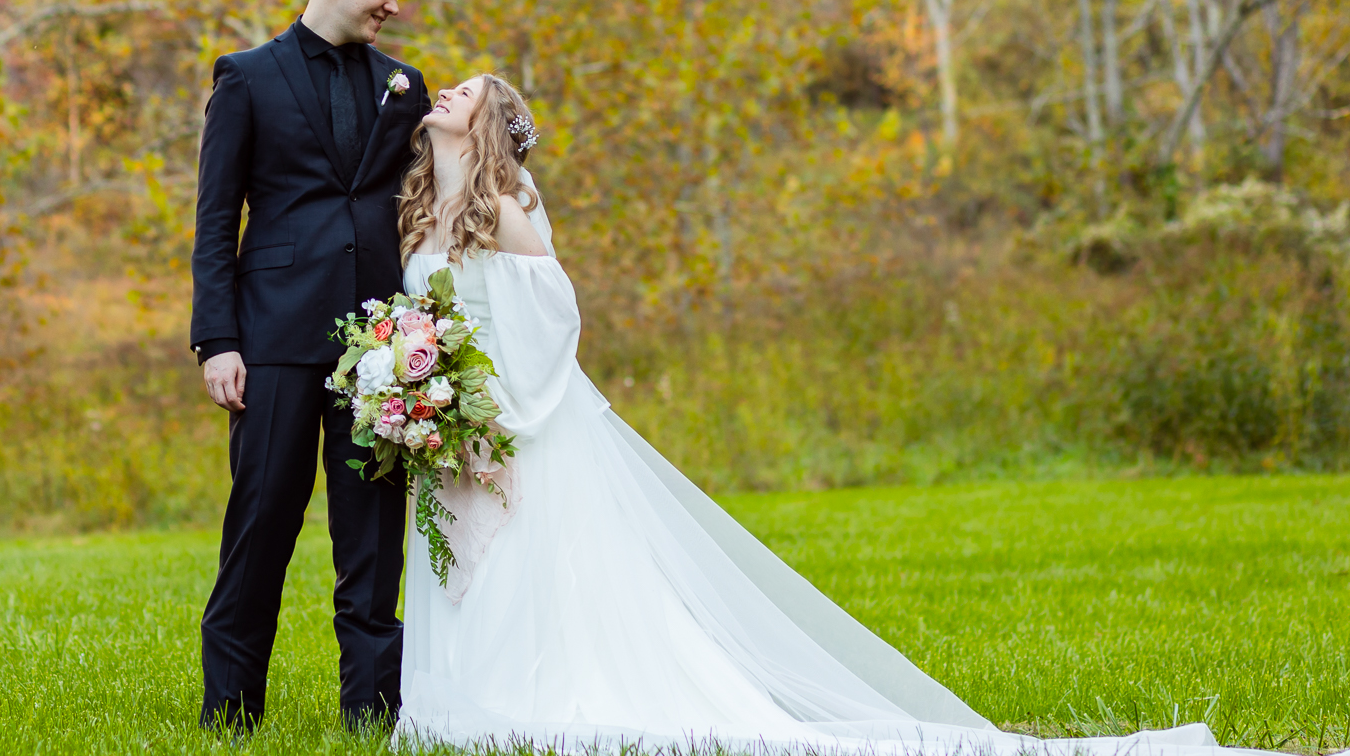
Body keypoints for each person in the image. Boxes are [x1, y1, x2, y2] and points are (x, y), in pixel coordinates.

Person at [393, 72, 1268, 756]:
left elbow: (554, 317)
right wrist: (421, 393)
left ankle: (522, 702)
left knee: (525, 561)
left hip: (516, 429)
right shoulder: (427, 210)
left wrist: (489, 407)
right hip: (450, 428)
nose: (446, 93)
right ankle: (464, 696)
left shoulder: (504, 211)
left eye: (463, 91)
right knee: (458, 552)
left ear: (485, 122)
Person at [191, 0, 432, 732]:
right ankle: (229, 713)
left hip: (380, 351)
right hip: (274, 342)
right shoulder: (247, 79)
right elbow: (215, 221)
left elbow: (422, 206)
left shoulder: (405, 86)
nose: (391, 8)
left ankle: (372, 713)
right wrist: (216, 339)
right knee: (261, 524)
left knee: (372, 537)